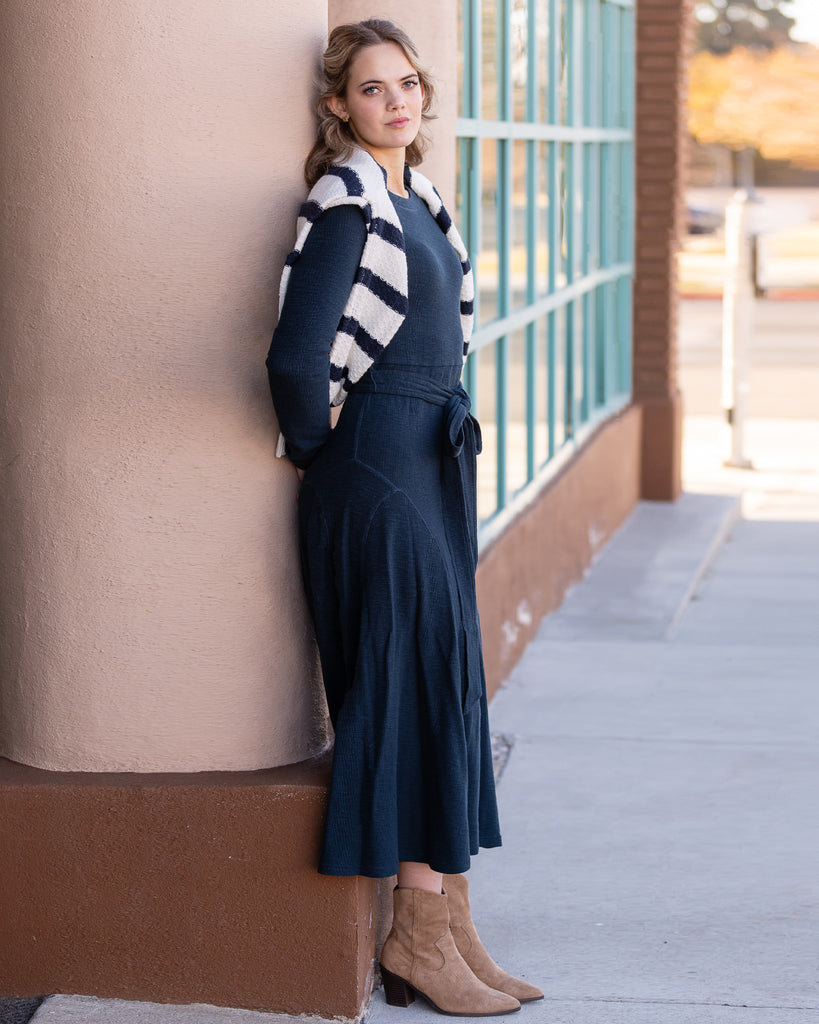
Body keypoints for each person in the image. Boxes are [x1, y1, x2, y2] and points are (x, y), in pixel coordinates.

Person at [266, 18, 543, 1017]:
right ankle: (418, 938)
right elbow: (298, 362)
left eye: (409, 84)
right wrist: (318, 447)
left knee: (445, 681)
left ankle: (443, 921)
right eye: (374, 89)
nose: (398, 101)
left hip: (426, 465)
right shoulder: (347, 204)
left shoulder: (415, 199)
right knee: (412, 681)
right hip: (376, 469)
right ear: (339, 105)